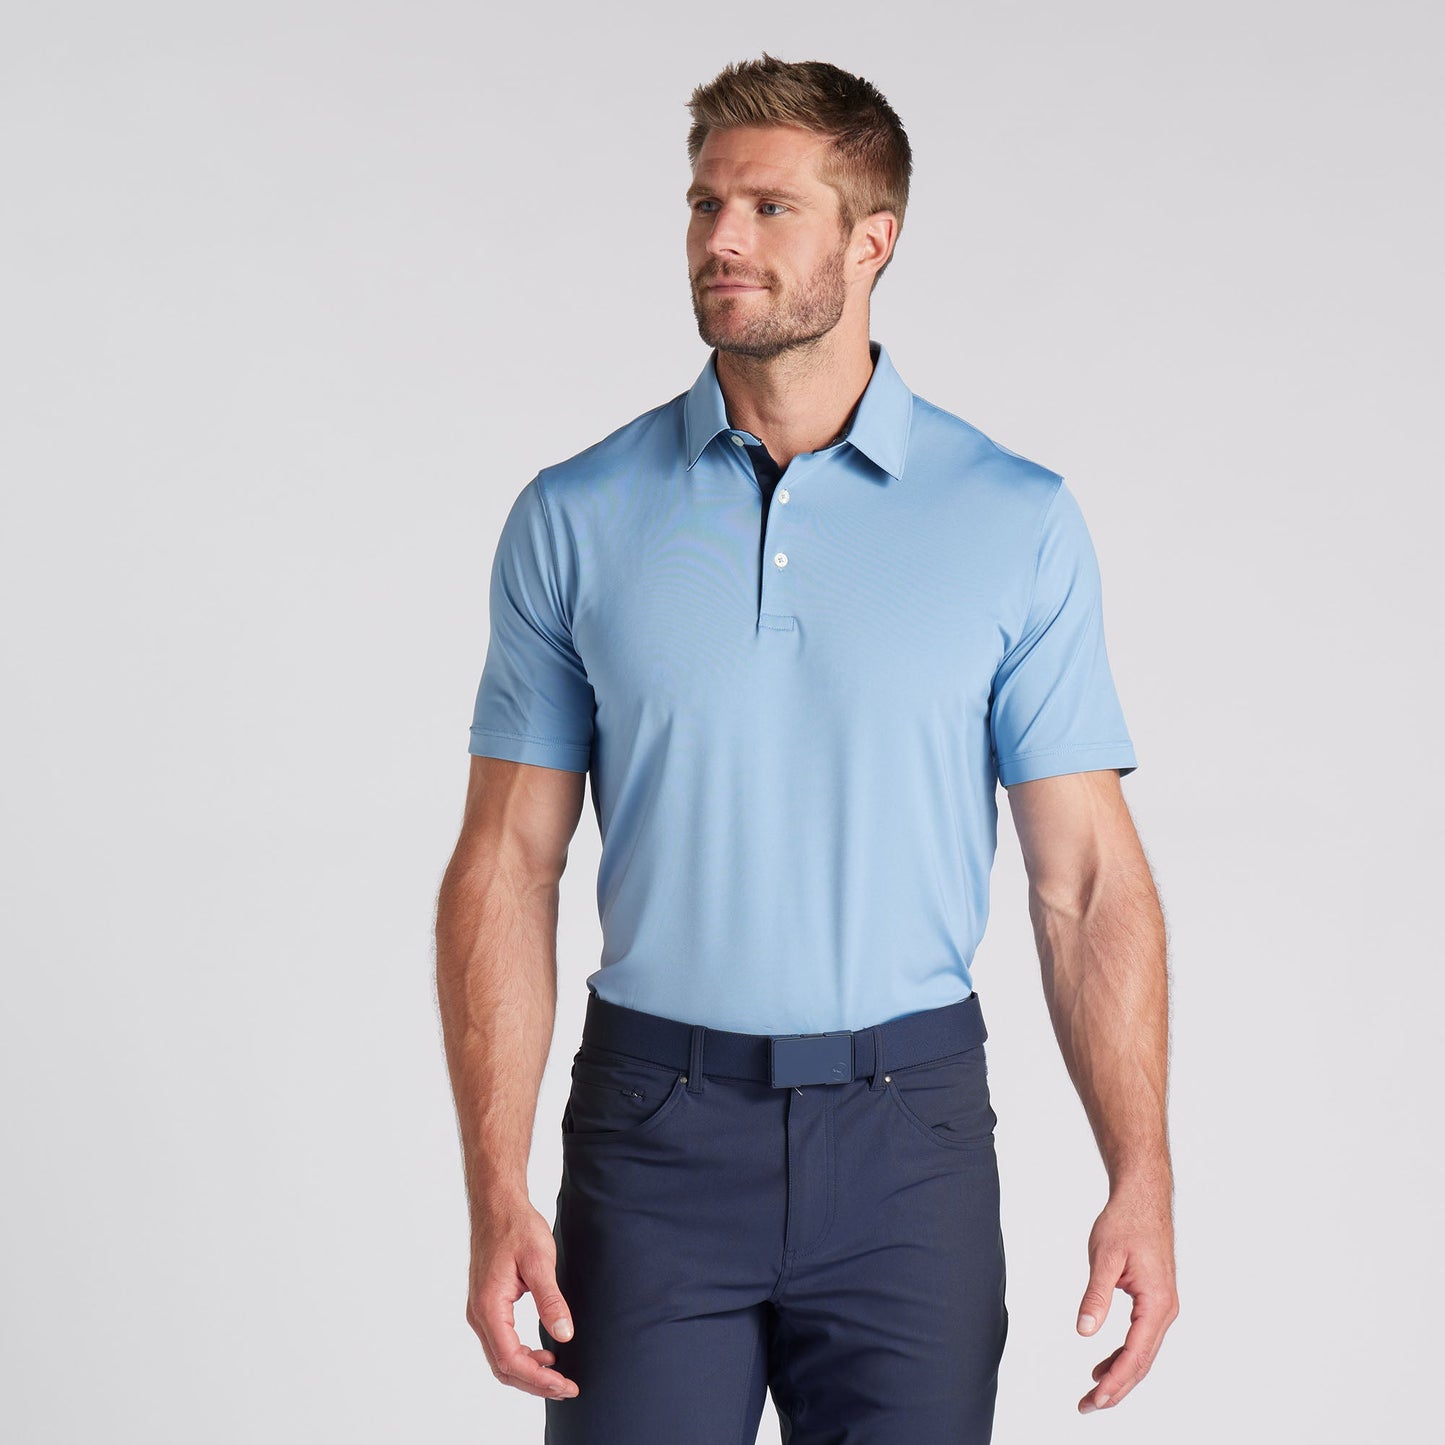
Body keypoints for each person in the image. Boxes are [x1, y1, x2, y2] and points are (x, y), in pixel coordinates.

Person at [436, 53, 1178, 1445]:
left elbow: (1084, 882)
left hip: (909, 1143)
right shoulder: (574, 514)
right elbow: (504, 868)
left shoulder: (1012, 518)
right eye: (705, 202)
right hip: (652, 1136)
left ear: (872, 239)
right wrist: (494, 1187)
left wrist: (1142, 1173)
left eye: (769, 207)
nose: (721, 238)